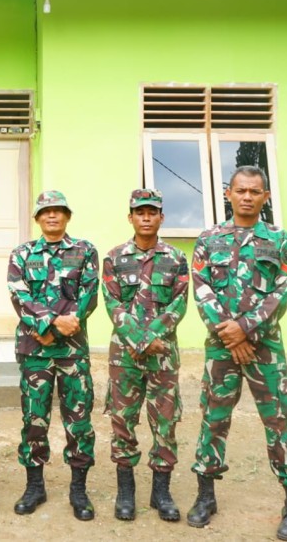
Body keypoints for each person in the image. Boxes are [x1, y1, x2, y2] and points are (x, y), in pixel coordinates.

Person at [187, 166, 287, 541]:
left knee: (279, 422)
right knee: (214, 418)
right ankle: (206, 496)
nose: (247, 197)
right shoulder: (209, 239)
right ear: (228, 193)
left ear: (265, 197)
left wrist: (247, 328)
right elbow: (202, 288)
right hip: (222, 347)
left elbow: (283, 290)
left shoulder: (279, 239)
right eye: (241, 190)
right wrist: (231, 334)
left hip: (265, 348)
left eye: (255, 191)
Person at [7, 190, 99, 521]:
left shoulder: (85, 251)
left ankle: (78, 489)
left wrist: (55, 328)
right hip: (35, 351)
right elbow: (19, 296)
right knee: (35, 419)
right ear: (37, 219)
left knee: (79, 420)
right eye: (46, 212)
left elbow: (89, 295)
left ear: (67, 216)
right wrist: (46, 323)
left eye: (58, 211)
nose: (52, 216)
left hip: (72, 352)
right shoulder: (22, 253)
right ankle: (35, 486)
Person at [101, 188, 188, 522]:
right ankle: (126, 492)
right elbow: (113, 304)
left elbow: (179, 304)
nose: (146, 218)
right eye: (140, 212)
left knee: (165, 421)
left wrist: (153, 337)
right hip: (124, 356)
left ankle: (161, 492)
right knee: (123, 421)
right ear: (131, 218)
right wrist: (139, 340)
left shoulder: (177, 259)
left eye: (152, 212)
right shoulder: (114, 258)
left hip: (163, 354)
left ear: (161, 217)